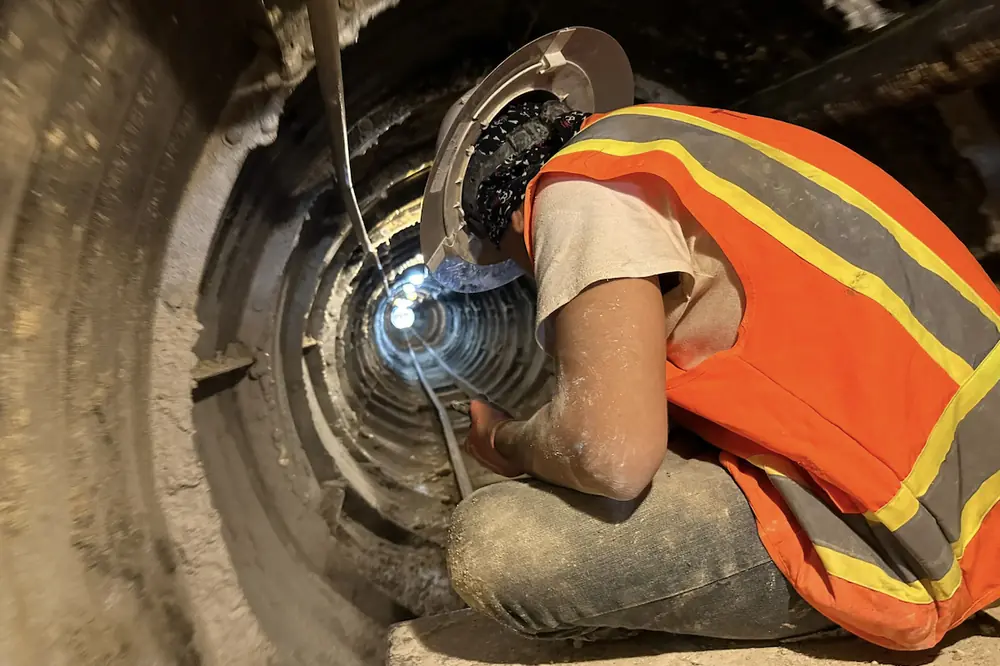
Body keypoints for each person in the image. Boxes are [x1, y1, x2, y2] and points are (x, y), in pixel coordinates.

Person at [419, 28, 1000, 651]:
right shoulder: (687, 146)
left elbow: (610, 455)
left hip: (928, 536)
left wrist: (506, 441)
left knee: (501, 543)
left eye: (521, 262)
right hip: (968, 472)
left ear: (512, 217)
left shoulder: (574, 190)